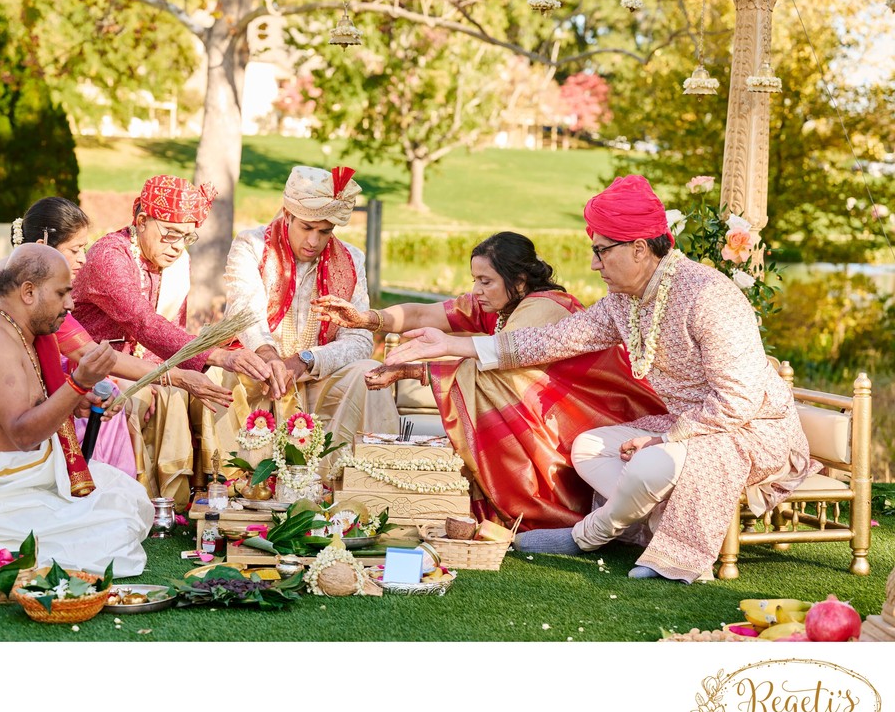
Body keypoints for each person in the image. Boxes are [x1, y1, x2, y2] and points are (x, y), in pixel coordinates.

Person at [384, 175, 814, 583]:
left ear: (640, 249)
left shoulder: (708, 296)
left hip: (747, 430)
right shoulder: (624, 301)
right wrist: (448, 343)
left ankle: (587, 536)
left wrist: (667, 439)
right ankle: (657, 514)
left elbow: (737, 403)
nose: (593, 264)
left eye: (602, 250)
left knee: (647, 463)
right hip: (685, 425)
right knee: (588, 448)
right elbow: (551, 341)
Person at [313, 231, 666, 531]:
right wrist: (365, 318)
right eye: (475, 280)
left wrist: (411, 372)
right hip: (554, 422)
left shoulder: (544, 307)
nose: (477, 291)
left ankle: (545, 510)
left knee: (489, 383)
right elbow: (422, 313)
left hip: (587, 419)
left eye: (486, 281)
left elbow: (501, 379)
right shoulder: (498, 304)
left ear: (520, 281)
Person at [0, 197, 232, 481]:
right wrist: (179, 376)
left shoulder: (37, 279)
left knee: (103, 404)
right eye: (76, 249)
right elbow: (93, 354)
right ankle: (78, 495)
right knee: (83, 413)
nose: (83, 259)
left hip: (14, 372)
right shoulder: (21, 286)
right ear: (45, 244)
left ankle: (94, 492)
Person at [0, 245, 154, 577]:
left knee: (126, 498)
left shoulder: (19, 333)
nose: (70, 303)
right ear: (28, 292)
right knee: (113, 526)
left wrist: (78, 403)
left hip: (16, 478)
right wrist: (78, 383)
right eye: (63, 293)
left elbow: (27, 402)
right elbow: (23, 434)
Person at [71, 175, 271, 508]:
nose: (177, 246)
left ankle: (221, 489)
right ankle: (153, 500)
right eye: (169, 234)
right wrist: (215, 354)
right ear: (141, 221)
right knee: (172, 393)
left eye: (186, 236)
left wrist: (209, 364)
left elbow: (168, 331)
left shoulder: (175, 264)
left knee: (215, 385)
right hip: (97, 365)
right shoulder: (111, 257)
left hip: (149, 365)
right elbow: (143, 323)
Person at [216, 165, 399, 469]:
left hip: (316, 377)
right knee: (217, 374)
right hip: (255, 373)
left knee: (369, 373)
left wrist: (305, 360)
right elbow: (245, 312)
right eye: (306, 227)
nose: (314, 241)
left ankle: (361, 482)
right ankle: (233, 483)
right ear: (286, 215)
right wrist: (269, 357)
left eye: (324, 231)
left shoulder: (351, 259)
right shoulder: (252, 245)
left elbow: (359, 340)